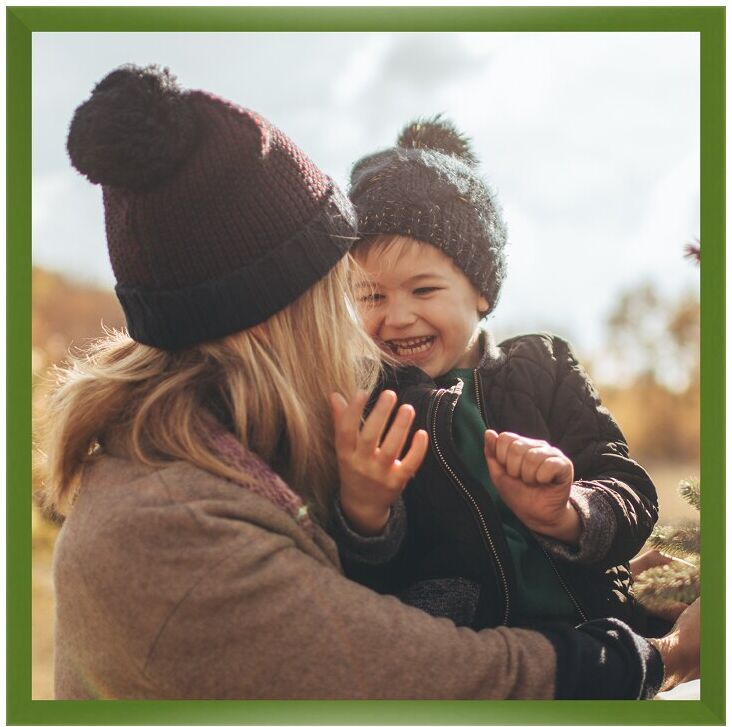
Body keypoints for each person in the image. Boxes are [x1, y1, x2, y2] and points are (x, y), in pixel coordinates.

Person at [43, 65, 697, 700]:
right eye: (353, 288)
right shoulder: (179, 534)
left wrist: (584, 524)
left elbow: (615, 480)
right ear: (271, 316)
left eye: (424, 288)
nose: (379, 318)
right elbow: (425, 673)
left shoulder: (240, 447)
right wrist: (664, 658)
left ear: (482, 293)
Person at [330, 117, 663, 635]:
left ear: (480, 292)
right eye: (371, 296)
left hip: (600, 635)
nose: (396, 317)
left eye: (423, 291)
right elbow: (358, 582)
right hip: (468, 660)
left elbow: (631, 489)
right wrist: (364, 511)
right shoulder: (367, 404)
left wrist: (569, 512)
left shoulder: (543, 367)